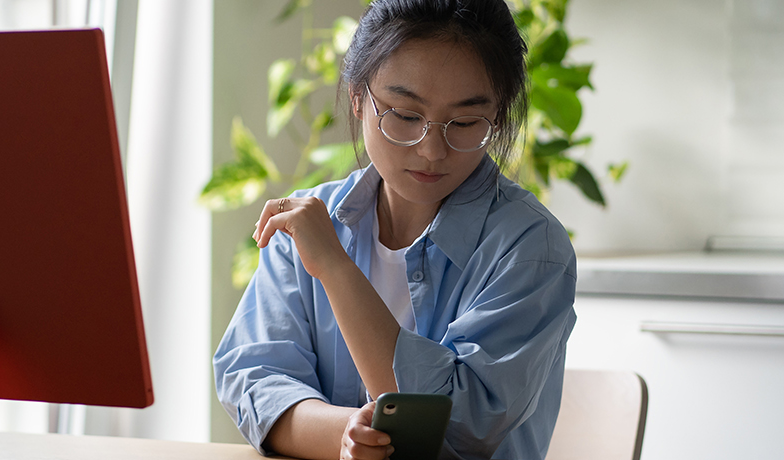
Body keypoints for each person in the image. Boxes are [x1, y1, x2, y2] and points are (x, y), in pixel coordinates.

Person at [212, 1, 576, 459]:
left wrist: (336, 269)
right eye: (404, 115)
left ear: (498, 116)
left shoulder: (531, 247)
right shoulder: (311, 221)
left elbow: (462, 426)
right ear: (357, 97)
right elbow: (254, 378)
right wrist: (346, 434)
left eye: (465, 123)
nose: (431, 150)